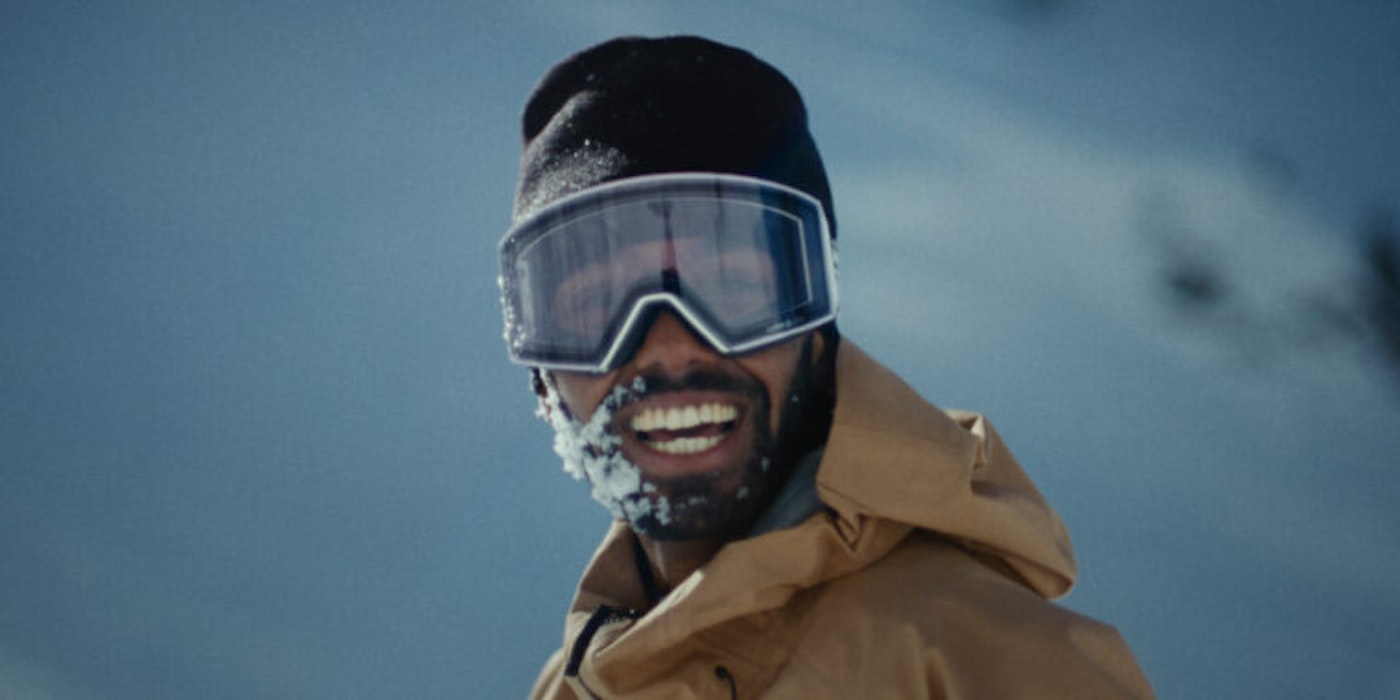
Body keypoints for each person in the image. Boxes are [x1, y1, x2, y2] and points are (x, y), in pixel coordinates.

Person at [498, 35, 1154, 699]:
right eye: (596, 306)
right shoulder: (574, 686)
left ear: (816, 330)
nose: (669, 346)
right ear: (547, 378)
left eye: (730, 287)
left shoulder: (981, 667)